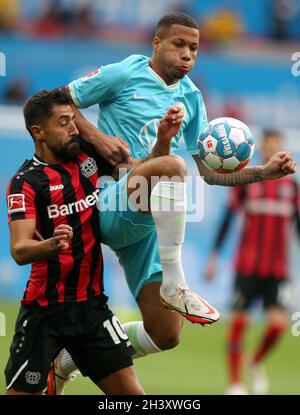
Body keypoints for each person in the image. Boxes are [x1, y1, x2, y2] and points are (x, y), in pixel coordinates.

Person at [50, 13, 296, 393]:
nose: (187, 55)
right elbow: (61, 100)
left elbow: (212, 174)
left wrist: (262, 173)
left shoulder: (192, 97)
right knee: (171, 165)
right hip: (111, 197)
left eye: (194, 49)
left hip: (147, 222)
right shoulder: (127, 72)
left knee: (165, 333)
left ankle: (67, 359)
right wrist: (99, 140)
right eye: (179, 45)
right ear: (156, 44)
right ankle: (175, 283)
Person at [5, 88, 188, 395]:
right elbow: (19, 249)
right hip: (44, 312)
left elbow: (140, 175)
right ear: (39, 132)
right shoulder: (25, 182)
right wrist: (51, 245)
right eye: (64, 122)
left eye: (74, 120)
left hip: (91, 309)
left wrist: (164, 140)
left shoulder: (86, 156)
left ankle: (64, 364)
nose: (75, 128)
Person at [205, 130, 300, 395]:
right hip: (247, 266)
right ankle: (235, 384)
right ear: (261, 148)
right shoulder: (248, 182)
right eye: (268, 144)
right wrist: (213, 256)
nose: (272, 148)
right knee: (238, 324)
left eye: (277, 144)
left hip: (278, 269)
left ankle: (255, 361)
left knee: (279, 325)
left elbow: (297, 226)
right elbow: (228, 219)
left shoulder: (291, 187)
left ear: (282, 148)